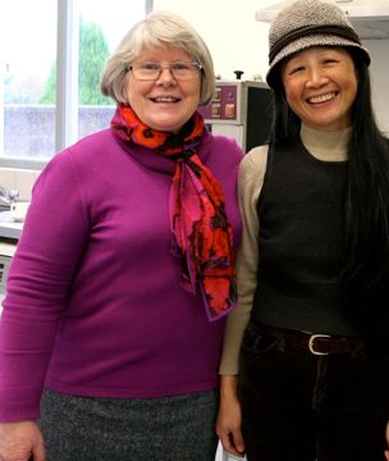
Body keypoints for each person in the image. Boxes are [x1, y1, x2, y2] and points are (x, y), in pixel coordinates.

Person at [0, 11, 243, 461]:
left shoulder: (228, 163)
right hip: (85, 405)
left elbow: (246, 283)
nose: (165, 80)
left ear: (202, 80)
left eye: (182, 67)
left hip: (192, 403)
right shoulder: (78, 169)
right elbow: (31, 296)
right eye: (148, 66)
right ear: (122, 79)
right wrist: (14, 416)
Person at [214, 0, 389, 460]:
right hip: (270, 375)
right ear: (282, 86)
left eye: (329, 60)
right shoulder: (258, 168)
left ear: (358, 70)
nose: (316, 80)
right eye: (297, 69)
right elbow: (244, 289)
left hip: (365, 383)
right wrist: (229, 393)